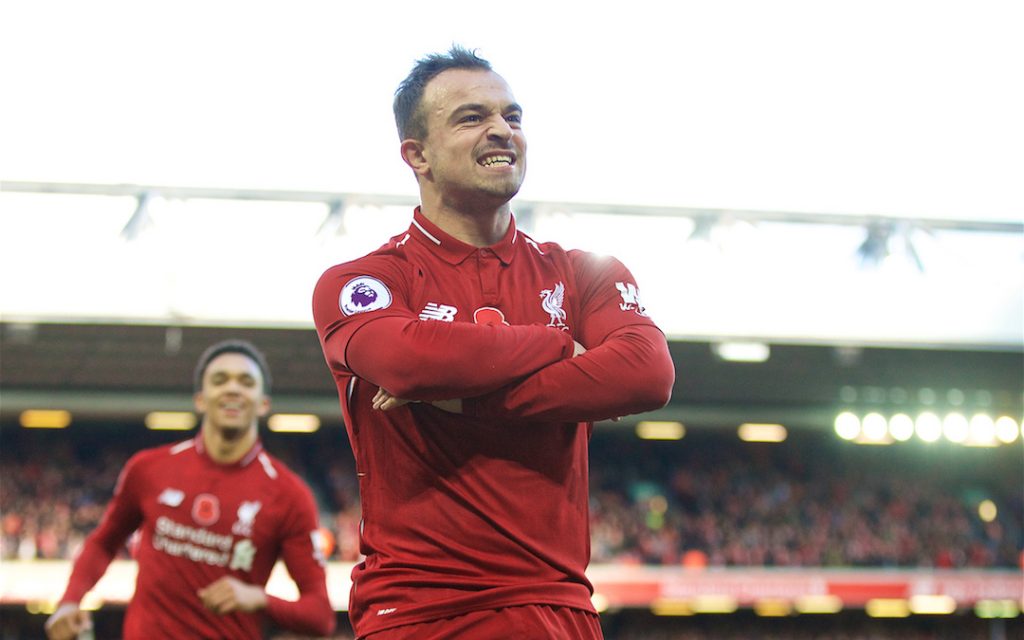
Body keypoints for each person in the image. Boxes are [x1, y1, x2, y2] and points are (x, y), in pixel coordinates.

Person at [312, 46, 675, 639]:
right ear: (417, 155)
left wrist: (468, 397)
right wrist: (563, 347)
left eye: (513, 116)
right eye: (471, 117)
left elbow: (646, 373)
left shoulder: (584, 273)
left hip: (560, 608)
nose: (501, 130)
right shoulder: (364, 282)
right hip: (422, 612)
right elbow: (407, 361)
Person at [45, 340, 337, 640]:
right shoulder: (148, 469)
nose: (233, 389)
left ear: (263, 403)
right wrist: (69, 602)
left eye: (246, 382)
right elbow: (104, 543)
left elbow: (320, 616)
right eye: (220, 380)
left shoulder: (289, 495)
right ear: (200, 398)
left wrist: (259, 598)